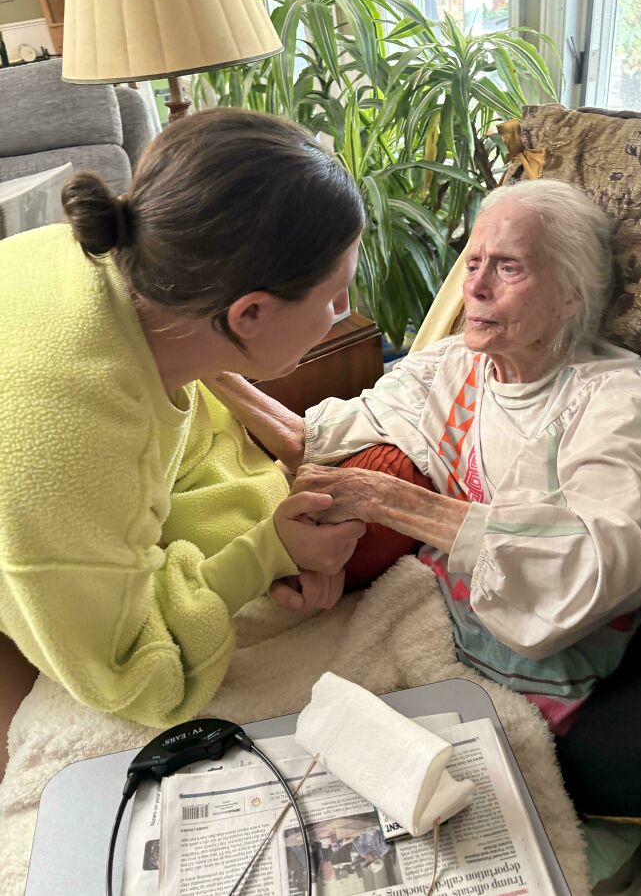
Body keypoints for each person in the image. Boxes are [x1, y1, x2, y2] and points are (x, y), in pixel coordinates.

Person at [212, 179, 641, 734]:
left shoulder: (615, 394)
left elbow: (599, 562)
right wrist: (209, 362)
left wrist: (390, 501)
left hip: (550, 653)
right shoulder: (451, 364)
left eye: (509, 267)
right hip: (440, 611)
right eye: (472, 263)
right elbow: (311, 439)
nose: (474, 287)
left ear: (572, 293)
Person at [0, 108, 368, 750]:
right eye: (336, 298)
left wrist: (274, 474)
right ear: (249, 312)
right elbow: (136, 679)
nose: (344, 316)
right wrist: (264, 555)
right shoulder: (71, 444)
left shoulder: (104, 258)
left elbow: (194, 406)